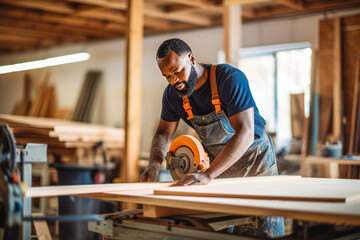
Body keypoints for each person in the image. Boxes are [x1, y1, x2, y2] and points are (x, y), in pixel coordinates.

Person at [141, 38, 284, 238]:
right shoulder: (172, 96)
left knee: (262, 231)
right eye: (167, 76)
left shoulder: (229, 79)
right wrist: (154, 163)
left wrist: (207, 175)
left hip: (255, 166)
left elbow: (246, 132)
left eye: (177, 72)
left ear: (191, 59)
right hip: (219, 171)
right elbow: (164, 132)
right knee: (222, 232)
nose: (175, 81)